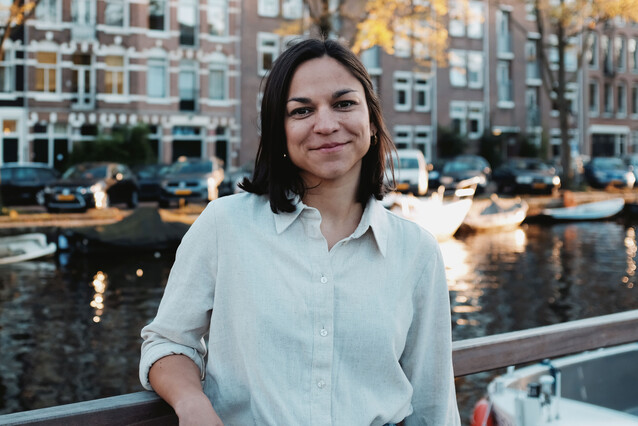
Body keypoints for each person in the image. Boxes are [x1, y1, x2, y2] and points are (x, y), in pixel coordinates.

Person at [139, 38, 461, 426]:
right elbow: (169, 342)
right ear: (280, 132)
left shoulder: (417, 251)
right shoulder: (225, 226)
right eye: (302, 110)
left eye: (344, 104)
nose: (326, 125)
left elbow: (432, 404)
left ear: (372, 121)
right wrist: (193, 405)